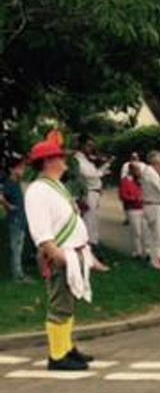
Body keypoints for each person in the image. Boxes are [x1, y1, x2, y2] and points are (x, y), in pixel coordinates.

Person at [24, 139, 108, 371]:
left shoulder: (55, 186)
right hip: (60, 254)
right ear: (49, 161)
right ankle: (58, 355)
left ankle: (67, 347)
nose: (64, 160)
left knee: (68, 303)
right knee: (60, 304)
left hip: (70, 253)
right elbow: (40, 229)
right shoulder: (38, 190)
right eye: (60, 157)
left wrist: (86, 257)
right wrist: (55, 253)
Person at [73, 134, 111, 247]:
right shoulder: (78, 159)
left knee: (93, 219)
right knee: (89, 220)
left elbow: (94, 173)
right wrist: (101, 172)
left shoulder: (86, 160)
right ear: (81, 145)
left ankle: (93, 242)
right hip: (88, 193)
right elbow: (89, 174)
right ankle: (88, 244)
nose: (91, 149)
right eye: (88, 146)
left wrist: (105, 166)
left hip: (95, 192)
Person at [2, 153, 30, 281]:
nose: (22, 171)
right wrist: (8, 206)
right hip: (15, 220)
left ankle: (19, 273)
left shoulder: (17, 183)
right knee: (16, 247)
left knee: (19, 245)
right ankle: (17, 275)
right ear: (12, 170)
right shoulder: (10, 183)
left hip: (20, 219)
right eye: (20, 168)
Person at [142, 151, 160, 266]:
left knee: (154, 237)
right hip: (155, 206)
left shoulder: (148, 172)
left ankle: (154, 261)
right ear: (157, 162)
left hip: (150, 205)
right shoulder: (151, 173)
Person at [118, 161, 146, 259]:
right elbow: (122, 195)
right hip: (132, 209)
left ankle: (146, 251)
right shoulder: (125, 181)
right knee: (136, 231)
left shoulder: (139, 181)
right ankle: (137, 251)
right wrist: (133, 198)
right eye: (137, 170)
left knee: (145, 230)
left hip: (142, 207)